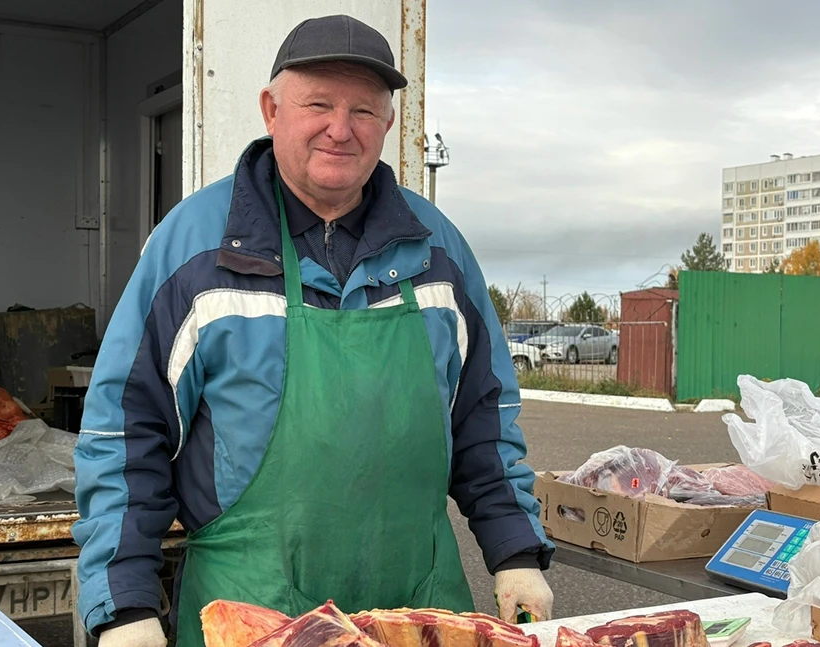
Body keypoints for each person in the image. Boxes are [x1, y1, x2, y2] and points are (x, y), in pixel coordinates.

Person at [72, 13, 555, 647]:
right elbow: (125, 432)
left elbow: (484, 419)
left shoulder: (438, 250)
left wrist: (515, 548)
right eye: (318, 104)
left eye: (363, 110)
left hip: (417, 611)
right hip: (249, 613)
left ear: (387, 123)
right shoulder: (193, 251)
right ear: (271, 110)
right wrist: (125, 604)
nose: (340, 128)